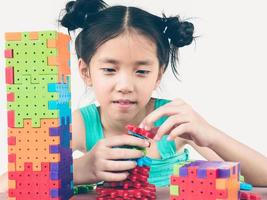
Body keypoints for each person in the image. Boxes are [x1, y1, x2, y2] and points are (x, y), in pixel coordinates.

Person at [1, 0, 267, 192]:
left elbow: (261, 179)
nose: (125, 85)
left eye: (141, 71)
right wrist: (82, 169)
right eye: (109, 69)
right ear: (86, 72)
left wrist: (211, 134)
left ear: (158, 75)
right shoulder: (80, 125)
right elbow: (8, 184)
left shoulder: (172, 123)